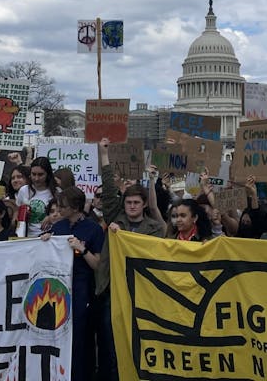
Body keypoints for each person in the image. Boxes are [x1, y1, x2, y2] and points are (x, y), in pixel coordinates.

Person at [94, 137, 167, 381]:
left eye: (136, 203)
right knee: (111, 343)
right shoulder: (116, 216)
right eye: (128, 202)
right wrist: (104, 155)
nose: (131, 207)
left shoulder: (155, 228)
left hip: (142, 294)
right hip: (112, 292)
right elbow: (106, 188)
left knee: (141, 342)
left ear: (144, 204)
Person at [49, 185, 104, 381]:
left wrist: (81, 249)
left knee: (79, 338)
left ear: (74, 207)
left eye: (62, 206)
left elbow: (97, 265)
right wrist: (44, 240)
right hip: (57, 289)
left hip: (81, 290)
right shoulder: (58, 227)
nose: (59, 210)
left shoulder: (94, 229)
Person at [15, 157, 57, 237]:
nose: (36, 178)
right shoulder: (24, 190)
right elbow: (17, 210)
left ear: (48, 174)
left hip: (48, 237)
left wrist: (50, 217)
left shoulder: (56, 192)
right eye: (33, 174)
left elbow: (63, 215)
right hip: (26, 236)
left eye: (40, 175)